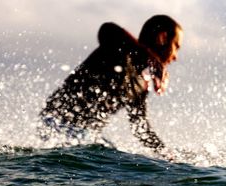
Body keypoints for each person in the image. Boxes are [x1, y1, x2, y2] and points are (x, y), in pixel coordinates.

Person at [38, 15, 182, 160]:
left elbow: (140, 128)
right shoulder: (120, 48)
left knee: (116, 160)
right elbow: (107, 29)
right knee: (110, 160)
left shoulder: (141, 83)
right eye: (176, 46)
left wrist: (167, 155)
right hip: (58, 121)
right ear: (162, 38)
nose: (175, 56)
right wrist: (151, 59)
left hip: (85, 134)